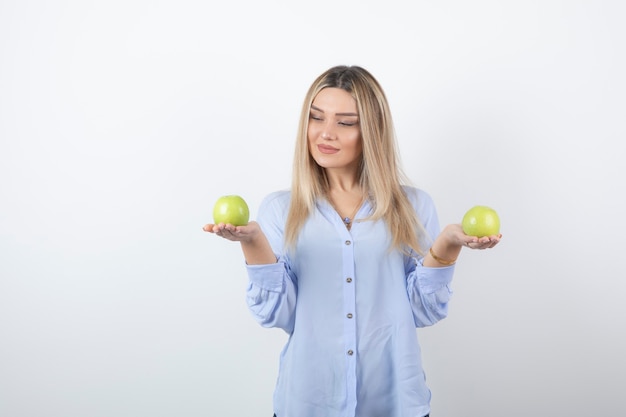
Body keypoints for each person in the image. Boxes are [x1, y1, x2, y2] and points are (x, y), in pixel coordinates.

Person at [203, 65, 501, 417]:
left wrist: (449, 243)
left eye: (345, 122)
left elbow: (422, 311)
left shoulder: (413, 206)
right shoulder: (280, 210)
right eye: (316, 118)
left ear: (372, 132)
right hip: (307, 403)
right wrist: (251, 242)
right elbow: (277, 315)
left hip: (394, 403)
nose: (325, 134)